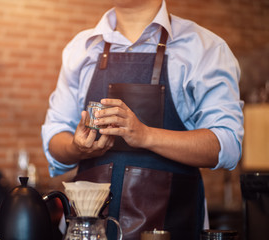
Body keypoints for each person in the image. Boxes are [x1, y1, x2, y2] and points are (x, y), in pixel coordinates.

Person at [41, 0, 244, 239]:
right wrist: (76, 147)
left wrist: (145, 135)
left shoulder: (204, 48)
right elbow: (55, 142)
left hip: (172, 229)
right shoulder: (81, 49)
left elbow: (227, 144)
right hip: (87, 232)